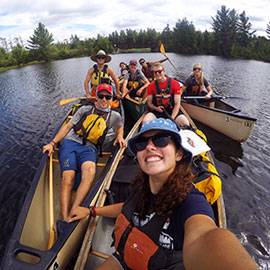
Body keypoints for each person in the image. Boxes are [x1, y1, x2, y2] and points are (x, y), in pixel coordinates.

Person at [68, 118, 258, 270]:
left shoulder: (191, 202)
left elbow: (206, 237)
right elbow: (126, 208)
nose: (149, 147)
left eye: (161, 140)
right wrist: (92, 211)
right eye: (142, 143)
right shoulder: (141, 187)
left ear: (178, 154)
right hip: (123, 260)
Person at [43, 83, 126, 222]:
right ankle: (64, 218)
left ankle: (74, 210)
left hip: (90, 147)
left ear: (111, 98)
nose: (104, 100)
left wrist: (120, 136)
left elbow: (120, 127)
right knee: (68, 177)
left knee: (90, 171)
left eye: (107, 96)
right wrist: (52, 143)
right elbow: (68, 126)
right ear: (96, 97)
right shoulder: (85, 109)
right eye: (101, 96)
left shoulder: (115, 116)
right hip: (71, 142)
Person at [146, 62, 190, 127]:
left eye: (159, 71)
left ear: (164, 71)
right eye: (155, 72)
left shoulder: (175, 84)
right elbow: (149, 103)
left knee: (184, 122)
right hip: (157, 112)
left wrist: (171, 118)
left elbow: (177, 104)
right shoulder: (150, 86)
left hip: (172, 112)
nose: (157, 74)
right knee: (146, 121)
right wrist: (156, 108)